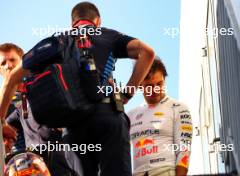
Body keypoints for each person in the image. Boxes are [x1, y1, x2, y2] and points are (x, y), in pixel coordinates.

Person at [0, 2, 155, 176]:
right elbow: (147, 53)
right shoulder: (109, 35)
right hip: (108, 117)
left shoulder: (56, 41)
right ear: (97, 21)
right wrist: (127, 92)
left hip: (73, 128)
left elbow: (11, 80)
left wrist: (1, 121)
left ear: (72, 23)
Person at [0, 43, 78, 176]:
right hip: (32, 168)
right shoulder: (17, 107)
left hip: (66, 164)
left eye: (12, 60)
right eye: (3, 63)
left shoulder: (46, 84)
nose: (8, 66)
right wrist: (4, 131)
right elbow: (7, 127)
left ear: (23, 63)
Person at [127, 57, 192, 176]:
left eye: (159, 83)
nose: (155, 89)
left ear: (164, 80)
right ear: (140, 85)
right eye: (149, 86)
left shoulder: (178, 107)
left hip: (165, 171)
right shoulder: (130, 114)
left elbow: (184, 150)